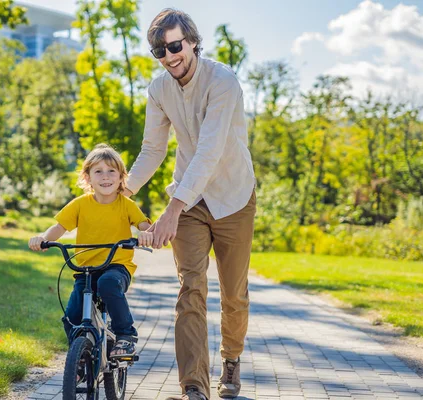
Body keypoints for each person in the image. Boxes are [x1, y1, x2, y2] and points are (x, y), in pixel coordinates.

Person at [124, 8, 257, 400]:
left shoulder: (223, 82)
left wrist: (170, 210)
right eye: (160, 51)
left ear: (193, 41)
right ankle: (194, 387)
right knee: (190, 291)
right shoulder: (158, 89)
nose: (169, 56)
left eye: (175, 46)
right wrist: (121, 192)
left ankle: (231, 359)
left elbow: (209, 152)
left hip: (233, 197)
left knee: (234, 293)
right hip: (192, 200)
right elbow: (152, 149)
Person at [29, 144, 153, 358]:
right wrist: (43, 238)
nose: (105, 177)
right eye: (98, 171)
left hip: (117, 266)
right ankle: (79, 361)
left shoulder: (126, 205)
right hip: (86, 269)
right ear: (87, 178)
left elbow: (143, 225)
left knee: (108, 284)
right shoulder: (80, 204)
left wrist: (146, 234)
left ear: (121, 176)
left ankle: (125, 335)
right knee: (72, 317)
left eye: (111, 171)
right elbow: (59, 227)